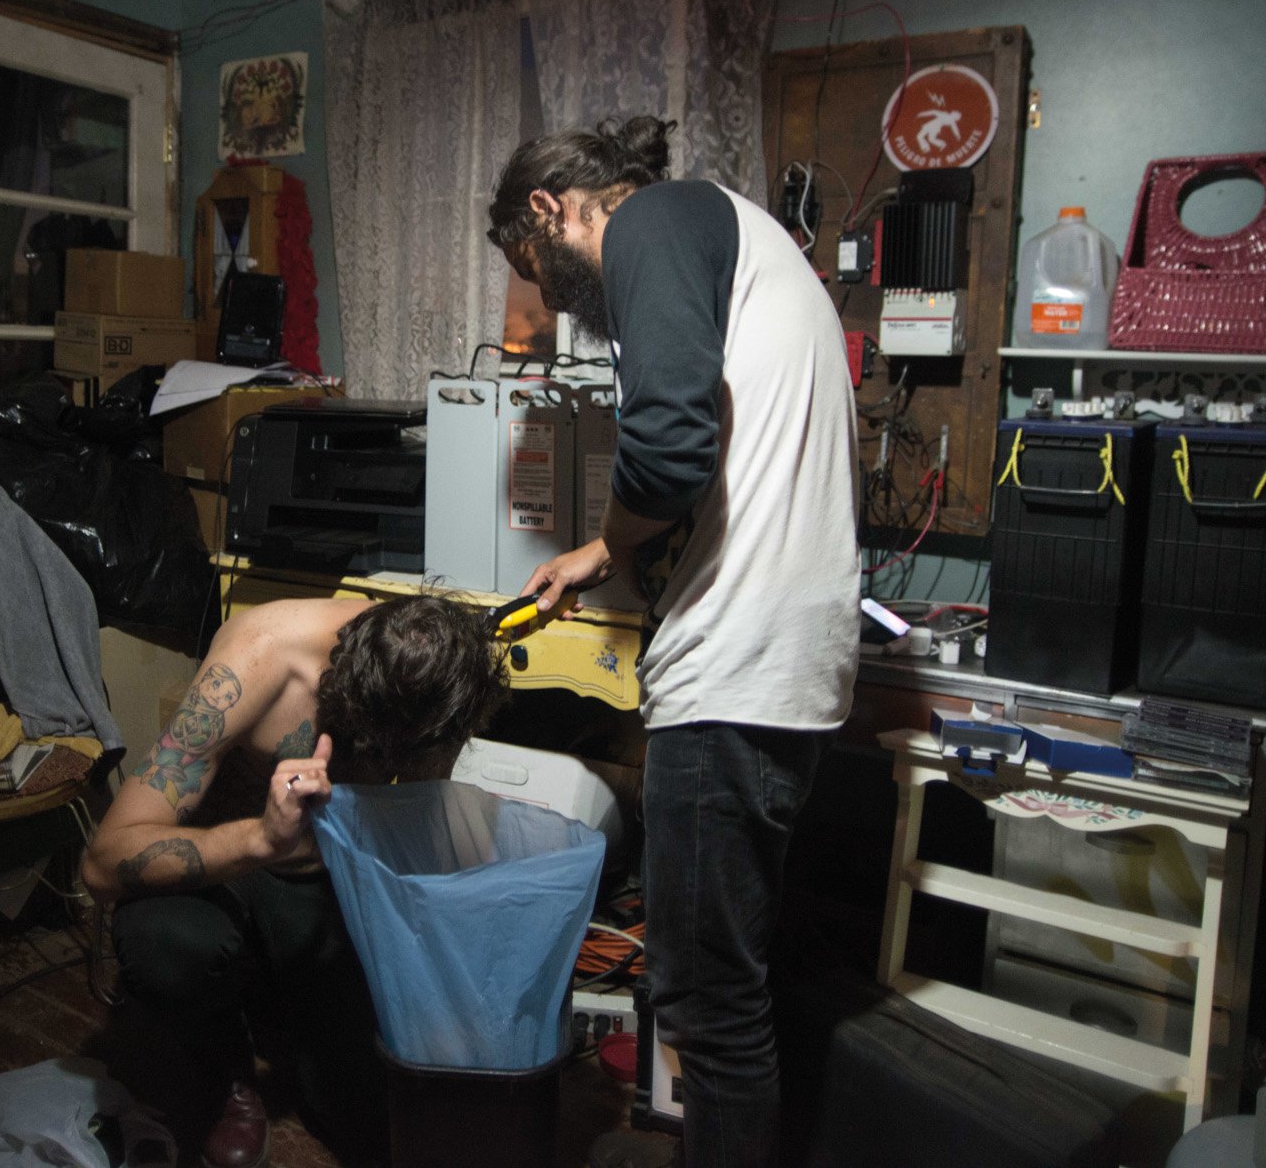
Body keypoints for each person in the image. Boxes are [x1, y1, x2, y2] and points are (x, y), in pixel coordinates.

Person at [487, 117, 859, 1168]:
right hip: (783, 658)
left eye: (537, 269)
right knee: (725, 983)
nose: (551, 299)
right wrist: (600, 553)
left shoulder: (651, 220)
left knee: (706, 1005)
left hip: (735, 665)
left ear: (550, 209)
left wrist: (614, 533)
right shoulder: (723, 230)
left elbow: (666, 450)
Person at [83, 593, 510, 1168]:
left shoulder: (444, 679)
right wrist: (261, 839)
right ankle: (227, 1071)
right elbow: (103, 860)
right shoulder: (258, 658)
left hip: (323, 875)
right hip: (227, 861)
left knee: (367, 1120)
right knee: (165, 945)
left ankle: (285, 1006)